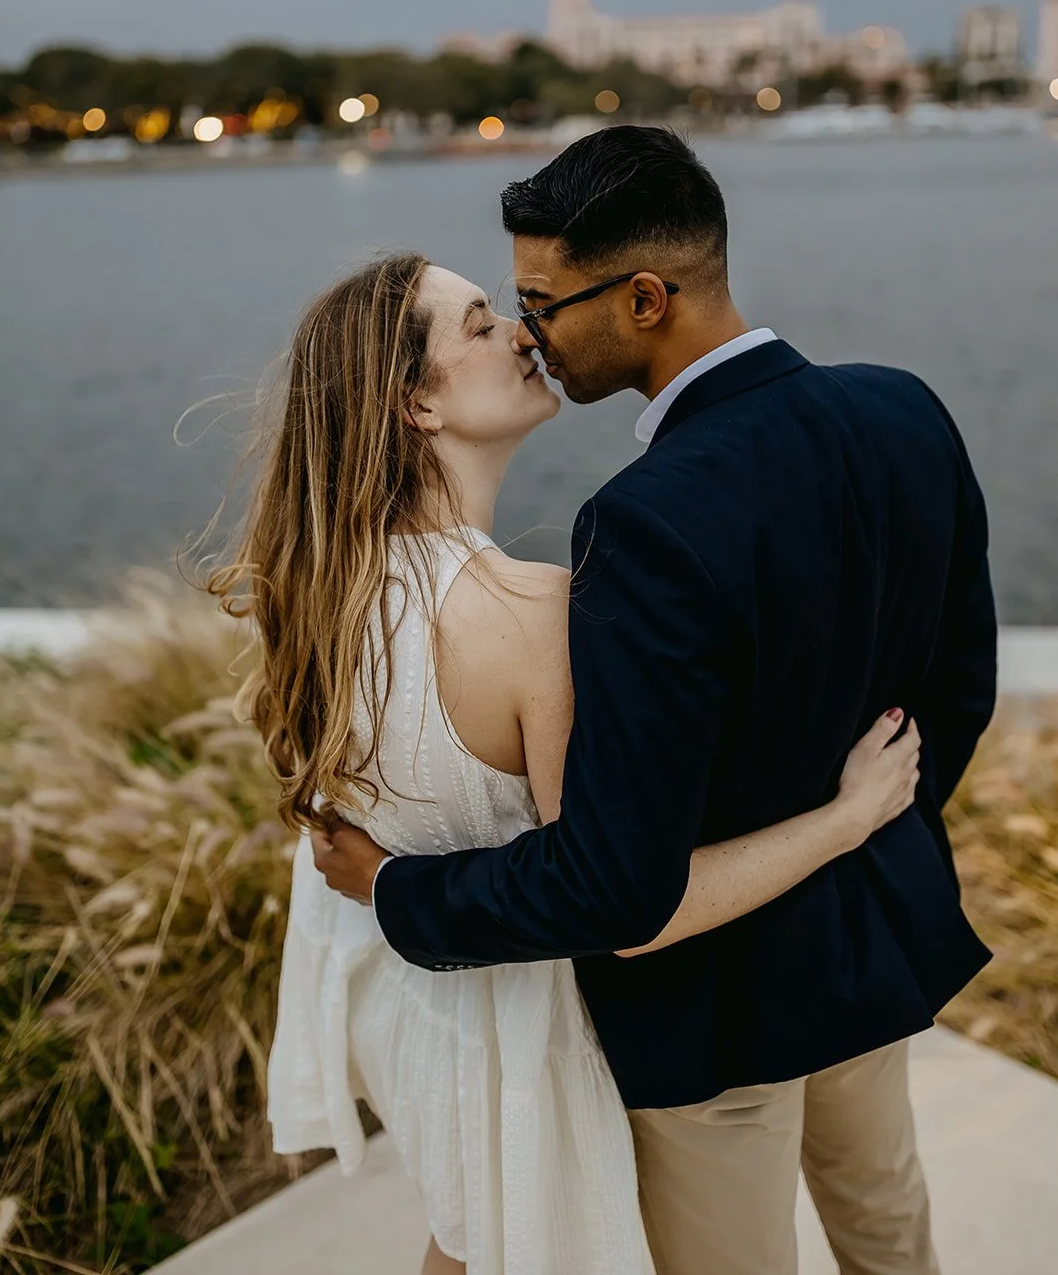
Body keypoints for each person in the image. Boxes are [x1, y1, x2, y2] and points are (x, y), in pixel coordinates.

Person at [314, 127, 997, 1275]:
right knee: (888, 1231)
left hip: (714, 1010)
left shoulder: (644, 521)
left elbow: (614, 881)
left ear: (640, 298)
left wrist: (395, 889)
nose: (530, 334)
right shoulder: (903, 410)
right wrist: (867, 838)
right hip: (869, 944)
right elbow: (956, 696)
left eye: (538, 302)